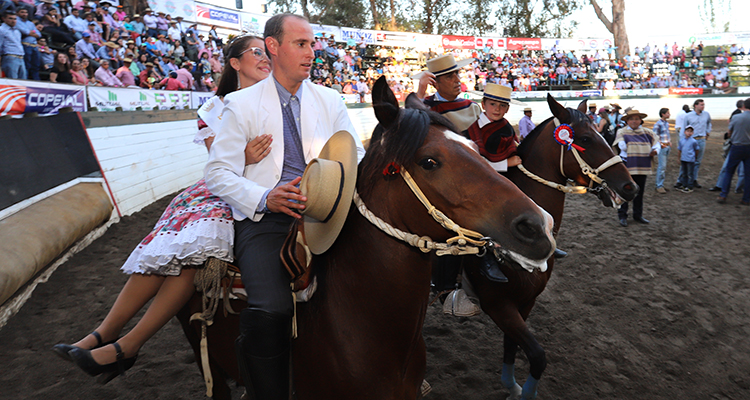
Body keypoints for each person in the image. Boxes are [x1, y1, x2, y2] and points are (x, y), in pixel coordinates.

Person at [53, 34, 274, 384]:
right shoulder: (214, 108)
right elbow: (223, 165)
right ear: (235, 63)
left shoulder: (275, 99)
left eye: (268, 51)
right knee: (173, 251)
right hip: (224, 189)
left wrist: (241, 158)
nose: (266, 57)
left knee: (187, 253)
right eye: (257, 52)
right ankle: (106, 335)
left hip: (249, 189)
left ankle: (121, 342)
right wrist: (242, 157)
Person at [204, 14, 365, 400]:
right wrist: (265, 197)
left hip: (331, 211)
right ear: (273, 47)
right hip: (267, 219)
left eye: (312, 44)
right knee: (272, 309)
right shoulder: (240, 104)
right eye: (301, 44)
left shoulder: (330, 98)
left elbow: (355, 153)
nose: (312, 53)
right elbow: (217, 174)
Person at [614, 109, 659, 227]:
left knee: (639, 191)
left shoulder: (647, 132)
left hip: (641, 166)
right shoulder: (621, 131)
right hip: (626, 165)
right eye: (631, 119)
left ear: (640, 120)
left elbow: (657, 143)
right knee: (624, 191)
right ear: (627, 121)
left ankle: (637, 215)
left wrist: (655, 150)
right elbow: (622, 147)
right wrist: (644, 148)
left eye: (636, 119)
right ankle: (622, 215)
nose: (634, 121)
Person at [415, 53, 482, 133]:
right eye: (449, 77)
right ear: (435, 83)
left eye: (457, 73)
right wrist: (420, 93)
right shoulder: (426, 108)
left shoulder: (473, 107)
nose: (457, 80)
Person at [717, 97, 750, 205]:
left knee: (729, 171)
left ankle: (723, 195)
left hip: (737, 146)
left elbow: (729, 132)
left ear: (744, 106)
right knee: (748, 174)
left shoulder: (736, 117)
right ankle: (746, 198)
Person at [710, 99, 745, 193]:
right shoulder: (740, 114)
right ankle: (740, 188)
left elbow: (730, 128)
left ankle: (721, 186)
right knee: (742, 170)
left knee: (727, 168)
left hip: (735, 144)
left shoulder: (736, 114)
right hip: (743, 145)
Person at [683, 99, 712, 188]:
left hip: (701, 139)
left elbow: (709, 123)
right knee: (686, 160)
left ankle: (693, 179)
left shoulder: (706, 114)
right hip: (691, 139)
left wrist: (707, 132)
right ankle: (682, 180)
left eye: (703, 105)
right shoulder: (688, 116)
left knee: (697, 161)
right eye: (701, 105)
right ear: (696, 105)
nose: (703, 106)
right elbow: (684, 128)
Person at [0, 10, 27, 80]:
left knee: (23, 81)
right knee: (12, 80)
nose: (13, 21)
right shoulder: (1, 30)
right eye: (10, 18)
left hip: (21, 57)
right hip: (10, 56)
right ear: (4, 19)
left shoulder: (17, 31)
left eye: (15, 19)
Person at [16, 7, 40, 80]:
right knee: (27, 65)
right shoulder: (16, 21)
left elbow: (38, 34)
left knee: (36, 65)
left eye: (26, 12)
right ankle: (25, 80)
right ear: (17, 13)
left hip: (34, 46)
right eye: (22, 12)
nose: (24, 14)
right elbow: (25, 32)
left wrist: (30, 33)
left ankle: (36, 82)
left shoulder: (30, 23)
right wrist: (31, 32)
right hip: (25, 45)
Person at [653, 108, 671, 194]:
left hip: (666, 146)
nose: (669, 114)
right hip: (663, 147)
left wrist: (669, 142)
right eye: (667, 113)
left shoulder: (665, 123)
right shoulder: (658, 124)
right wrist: (661, 144)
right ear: (663, 114)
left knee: (663, 166)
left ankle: (660, 184)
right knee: (662, 166)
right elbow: (655, 136)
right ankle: (659, 185)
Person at [677, 126, 699, 193]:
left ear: (692, 133)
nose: (689, 133)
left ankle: (690, 186)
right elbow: (679, 149)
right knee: (684, 172)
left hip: (690, 159)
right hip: (683, 159)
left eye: (690, 131)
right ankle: (684, 184)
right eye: (687, 131)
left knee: (690, 173)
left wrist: (695, 157)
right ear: (684, 132)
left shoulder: (694, 141)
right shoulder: (682, 141)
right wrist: (679, 158)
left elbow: (697, 149)